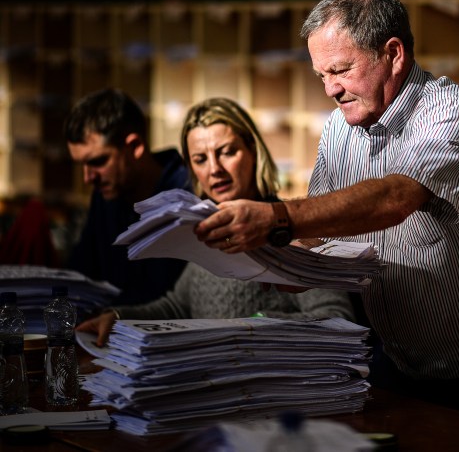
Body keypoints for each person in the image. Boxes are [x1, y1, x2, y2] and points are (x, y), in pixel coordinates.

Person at [193, 0, 459, 413]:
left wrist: (278, 217)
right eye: (321, 75)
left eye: (340, 70)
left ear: (393, 53)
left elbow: (398, 197)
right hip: (412, 363)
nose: (330, 90)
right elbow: (320, 233)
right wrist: (265, 258)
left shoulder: (455, 111)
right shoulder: (339, 128)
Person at [76, 97, 355, 347]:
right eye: (200, 159)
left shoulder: (287, 228)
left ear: (253, 151)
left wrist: (255, 324)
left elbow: (336, 317)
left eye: (226, 152)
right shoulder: (206, 228)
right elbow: (176, 307)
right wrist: (117, 317)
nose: (214, 170)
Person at [64, 87, 192, 305]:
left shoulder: (189, 194)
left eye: (97, 162)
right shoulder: (105, 196)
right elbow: (81, 276)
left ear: (135, 146)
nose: (87, 178)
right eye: (82, 165)